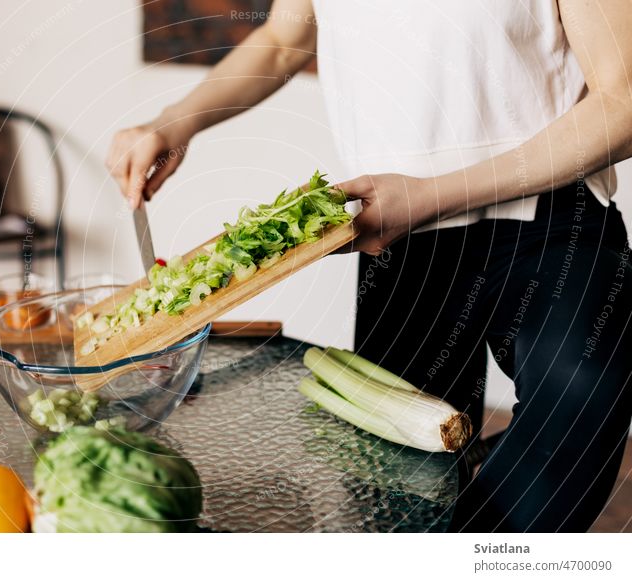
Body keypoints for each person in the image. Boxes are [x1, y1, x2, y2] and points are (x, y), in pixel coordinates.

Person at [106, 0, 632, 532]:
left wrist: (437, 194)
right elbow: (286, 39)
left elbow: (623, 101)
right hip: (402, 238)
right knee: (392, 491)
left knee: (579, 400)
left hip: (551, 214)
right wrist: (174, 123)